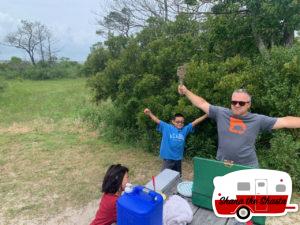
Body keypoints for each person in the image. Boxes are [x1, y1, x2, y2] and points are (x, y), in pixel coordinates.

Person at [178, 85, 300, 167]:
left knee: (246, 201)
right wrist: (186, 91)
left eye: (241, 103)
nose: (236, 105)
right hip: (224, 165)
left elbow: (285, 121)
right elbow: (202, 103)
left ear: (248, 105)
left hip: (247, 167)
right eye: (234, 102)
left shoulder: (257, 120)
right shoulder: (221, 113)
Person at [144, 108, 207, 175]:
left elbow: (195, 122)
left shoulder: (185, 129)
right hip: (168, 158)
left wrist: (206, 115)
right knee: (164, 177)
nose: (180, 123)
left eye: (182, 122)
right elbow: (157, 120)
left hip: (178, 159)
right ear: (173, 122)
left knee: (177, 177)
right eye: (177, 122)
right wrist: (149, 113)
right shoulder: (167, 127)